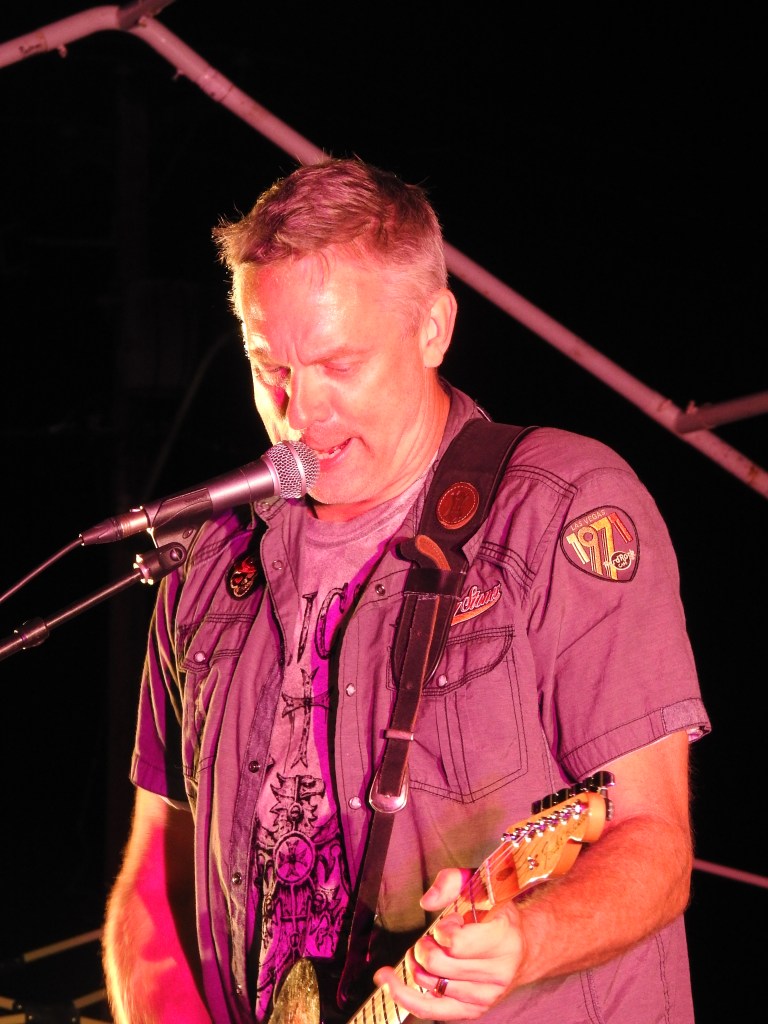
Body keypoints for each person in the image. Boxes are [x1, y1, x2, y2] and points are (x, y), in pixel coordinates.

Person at [102, 156, 710, 1024]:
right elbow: (153, 883)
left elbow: (654, 845)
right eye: (269, 367)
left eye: (338, 365)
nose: (297, 413)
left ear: (433, 328)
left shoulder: (560, 507)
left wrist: (528, 939)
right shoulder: (206, 560)